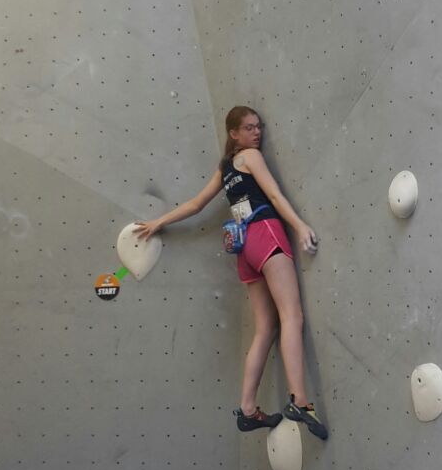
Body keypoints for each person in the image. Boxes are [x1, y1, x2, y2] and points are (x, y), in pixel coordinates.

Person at [133, 106, 328, 440]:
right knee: (292, 317)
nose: (257, 133)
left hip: (243, 248)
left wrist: (160, 222)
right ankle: (301, 401)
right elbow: (273, 194)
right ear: (234, 134)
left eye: (259, 127)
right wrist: (298, 225)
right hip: (265, 232)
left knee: (265, 328)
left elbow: (196, 204)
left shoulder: (225, 168)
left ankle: (248, 409)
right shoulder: (250, 156)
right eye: (249, 128)